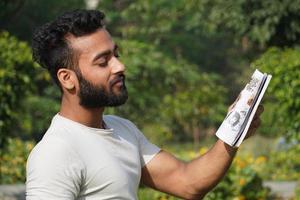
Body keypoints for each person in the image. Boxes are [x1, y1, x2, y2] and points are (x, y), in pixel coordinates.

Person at [26, 9, 264, 200]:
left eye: (116, 54)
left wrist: (233, 132)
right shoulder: (56, 152)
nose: (119, 66)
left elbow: (188, 182)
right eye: (103, 62)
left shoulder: (122, 130)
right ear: (67, 79)